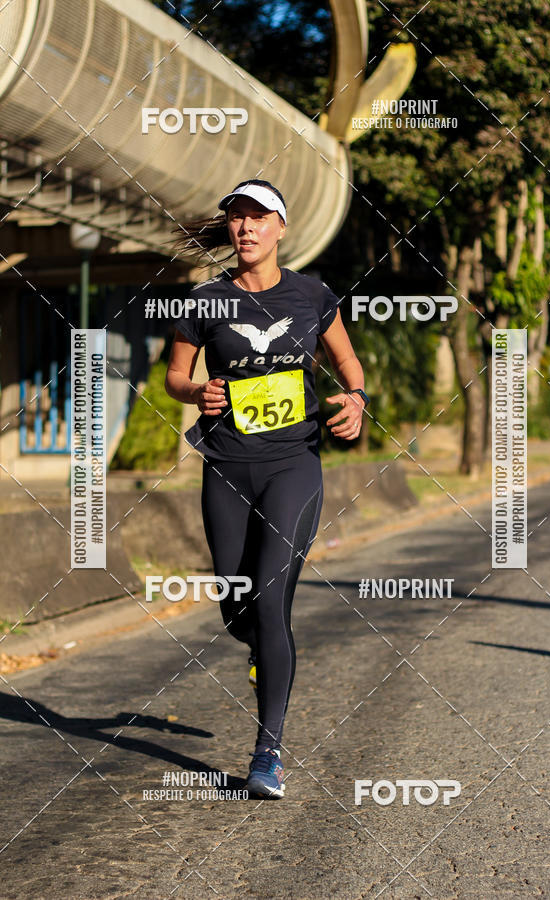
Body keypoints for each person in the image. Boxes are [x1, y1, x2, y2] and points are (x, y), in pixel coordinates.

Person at [165, 179, 369, 798]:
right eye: (237, 218)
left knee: (273, 597)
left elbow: (349, 364)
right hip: (226, 464)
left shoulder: (311, 294)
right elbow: (175, 375)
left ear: (281, 227)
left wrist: (356, 399)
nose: (246, 228)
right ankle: (260, 647)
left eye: (259, 218)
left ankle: (267, 754)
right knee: (237, 610)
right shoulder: (203, 301)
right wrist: (195, 392)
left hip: (293, 464)